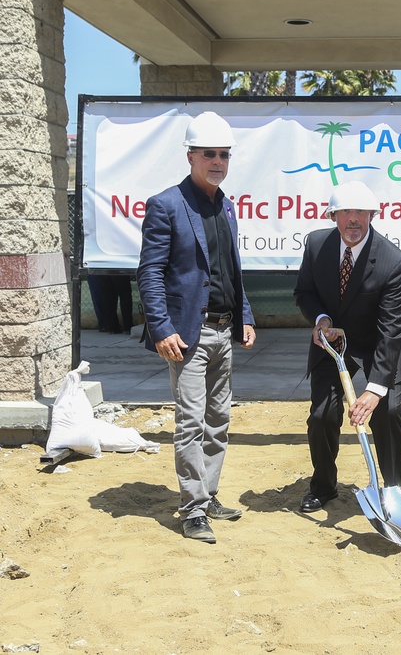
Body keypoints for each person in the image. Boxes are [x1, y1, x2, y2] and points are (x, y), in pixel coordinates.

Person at [136, 111, 256, 544]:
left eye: (224, 154)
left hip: (224, 330)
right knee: (190, 421)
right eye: (209, 154)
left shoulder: (227, 205)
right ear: (190, 155)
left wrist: (244, 315)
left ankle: (207, 495)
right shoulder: (166, 204)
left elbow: (230, 268)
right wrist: (161, 327)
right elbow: (149, 273)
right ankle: (191, 510)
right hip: (187, 333)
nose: (218, 161)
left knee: (219, 418)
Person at [293, 181, 401, 513]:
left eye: (361, 212)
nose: (353, 219)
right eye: (346, 211)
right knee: (321, 416)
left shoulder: (393, 262)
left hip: (380, 345)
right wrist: (321, 319)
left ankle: (392, 491)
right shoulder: (317, 245)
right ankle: (324, 486)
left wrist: (374, 391)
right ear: (334, 216)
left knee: (387, 412)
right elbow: (304, 292)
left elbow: (392, 331)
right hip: (334, 342)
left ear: (373, 215)